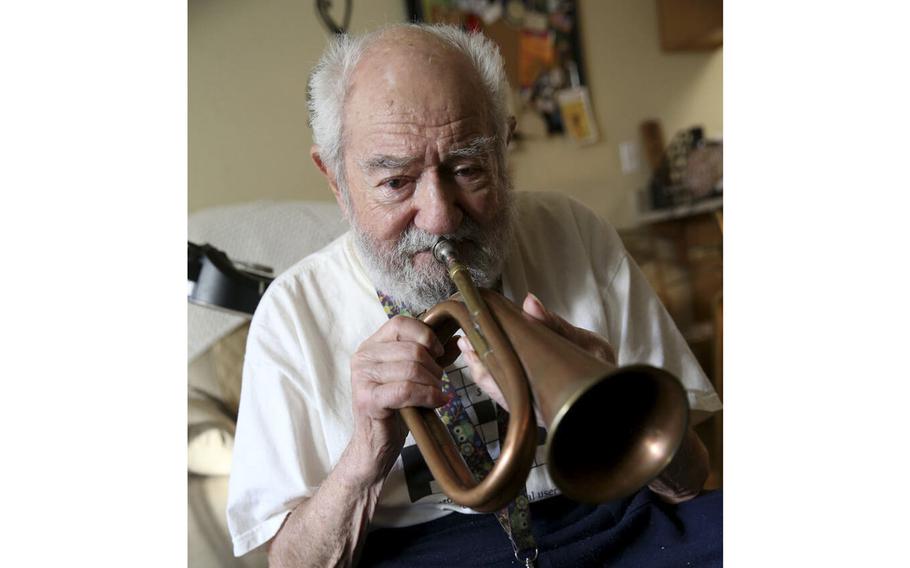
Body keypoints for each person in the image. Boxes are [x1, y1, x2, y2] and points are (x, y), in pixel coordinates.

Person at [227, 23, 723, 567]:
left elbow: (689, 479)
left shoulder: (573, 230)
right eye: (396, 183)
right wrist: (366, 453)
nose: (440, 217)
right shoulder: (292, 312)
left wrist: (618, 410)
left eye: (467, 168)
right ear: (335, 180)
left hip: (614, 518)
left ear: (503, 148)